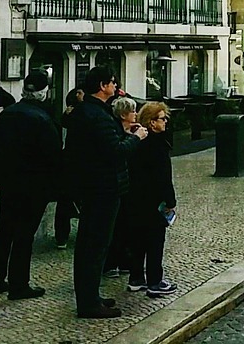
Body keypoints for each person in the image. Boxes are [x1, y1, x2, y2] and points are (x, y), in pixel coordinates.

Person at [68, 68, 147, 319]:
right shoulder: (98, 115)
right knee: (95, 246)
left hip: (90, 186)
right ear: (103, 86)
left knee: (91, 245)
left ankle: (91, 296)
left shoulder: (86, 111)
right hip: (103, 188)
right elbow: (115, 153)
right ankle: (89, 303)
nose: (115, 86)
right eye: (113, 83)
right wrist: (136, 138)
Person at [0, 69, 63, 300]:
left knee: (4, 231)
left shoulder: (7, 115)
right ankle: (19, 284)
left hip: (9, 185)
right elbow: (53, 157)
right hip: (33, 187)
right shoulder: (42, 120)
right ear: (44, 93)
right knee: (24, 235)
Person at [126, 101, 178, 298]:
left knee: (137, 239)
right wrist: (170, 200)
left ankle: (136, 278)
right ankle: (155, 281)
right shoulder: (158, 145)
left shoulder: (136, 142)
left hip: (135, 198)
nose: (166, 122)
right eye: (162, 119)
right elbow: (164, 177)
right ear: (152, 122)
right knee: (155, 241)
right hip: (153, 200)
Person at [105, 97, 141, 278]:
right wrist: (135, 138)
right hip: (118, 184)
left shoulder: (127, 130)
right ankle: (111, 262)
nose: (136, 114)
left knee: (126, 225)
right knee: (117, 225)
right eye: (133, 111)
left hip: (127, 184)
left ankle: (124, 259)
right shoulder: (117, 132)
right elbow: (120, 152)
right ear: (124, 114)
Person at [54, 87, 86, 249]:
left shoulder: (69, 114)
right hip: (77, 162)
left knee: (65, 202)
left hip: (69, 161)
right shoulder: (79, 113)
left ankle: (62, 237)